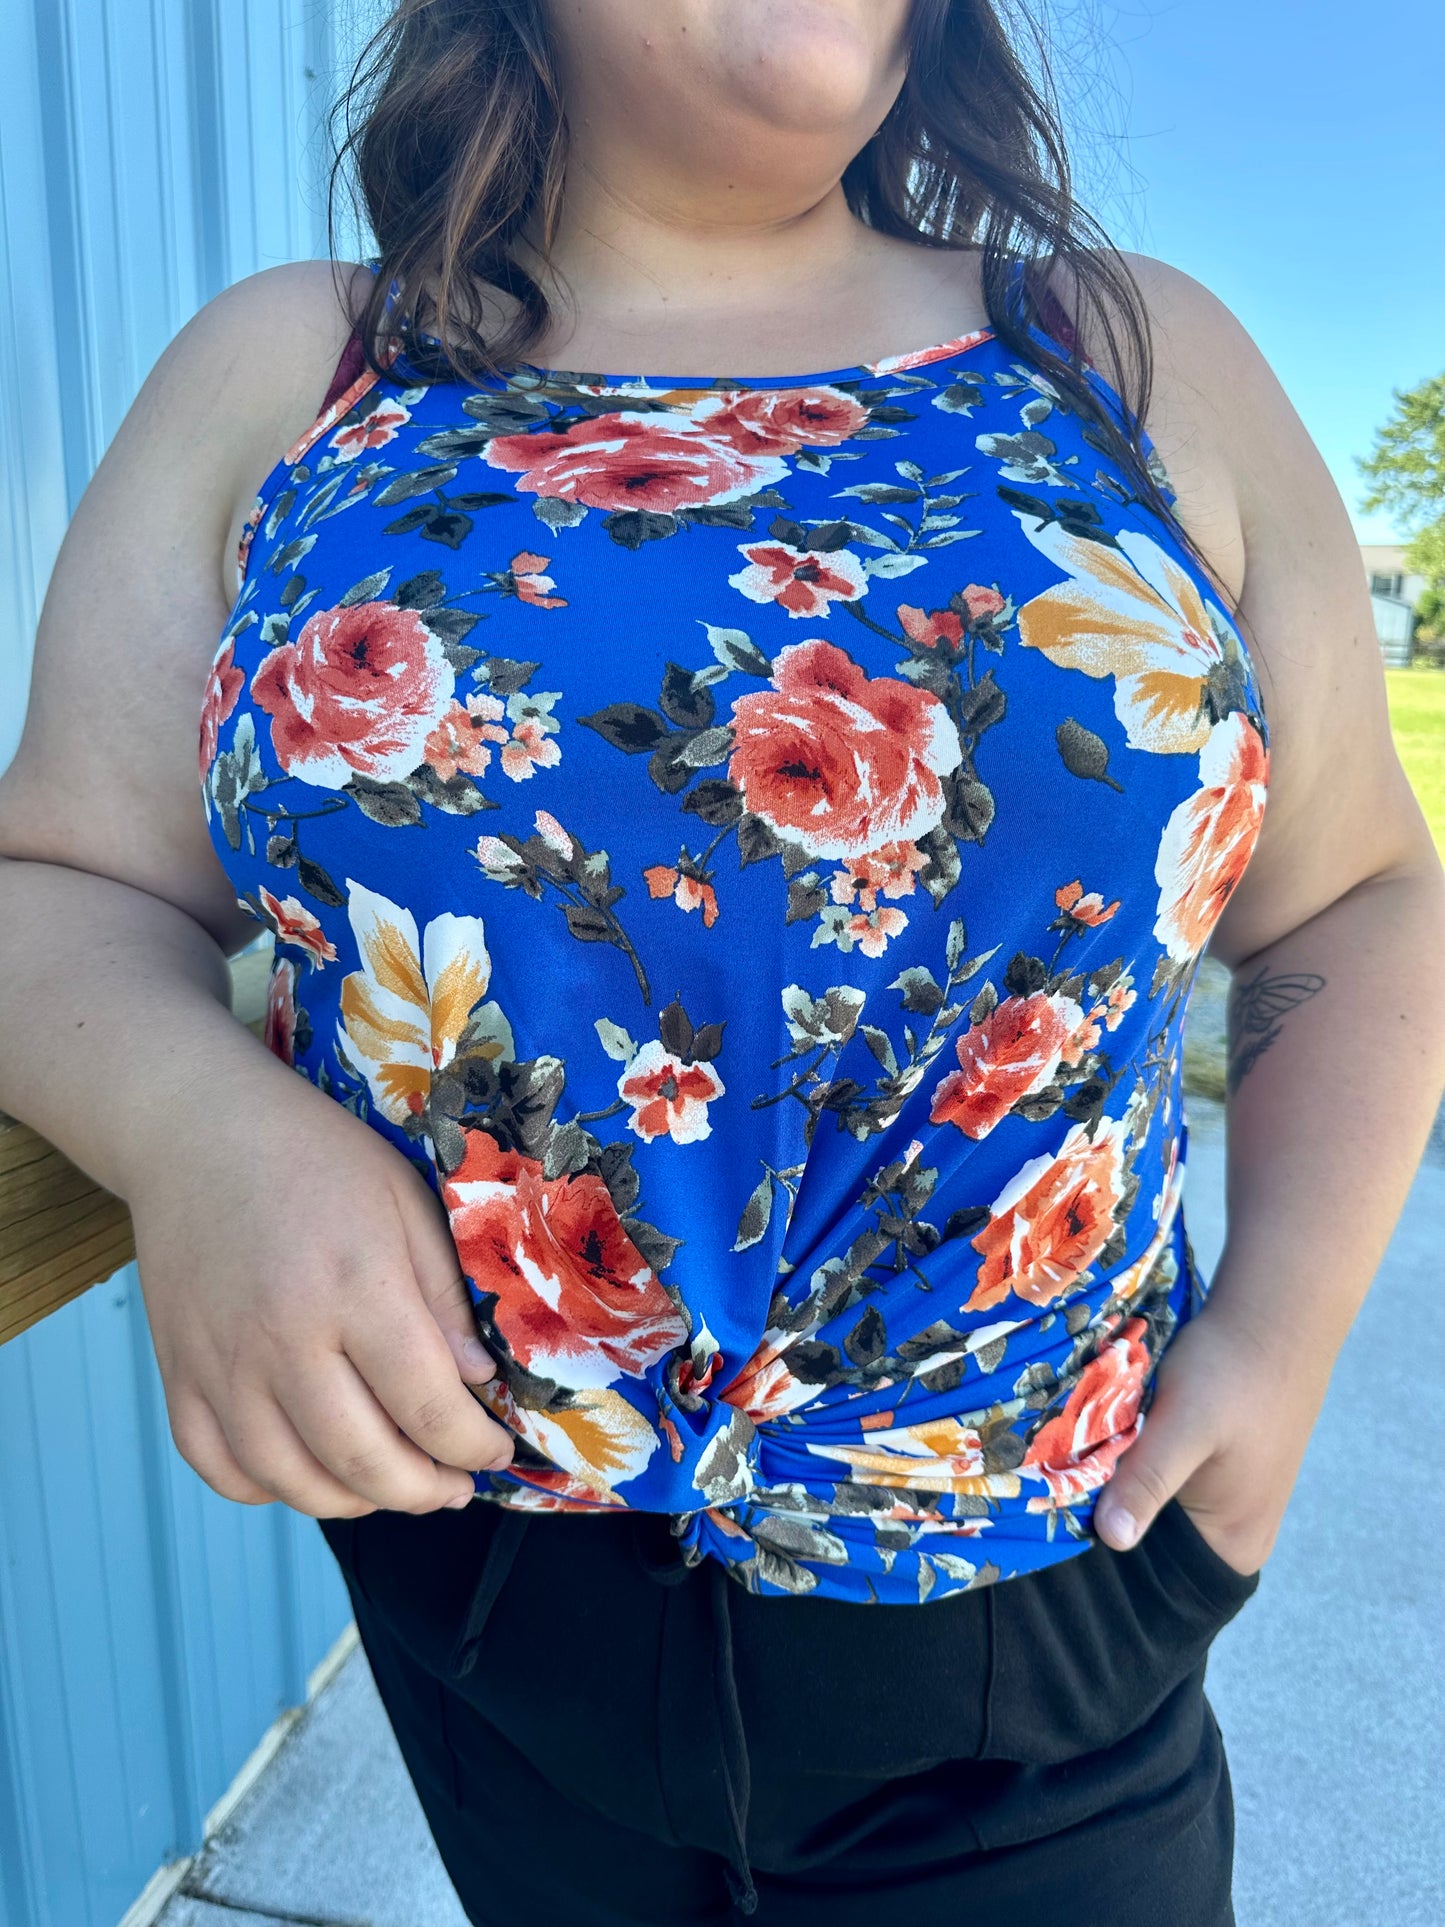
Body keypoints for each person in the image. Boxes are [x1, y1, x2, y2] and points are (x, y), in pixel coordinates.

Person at [1, 2, 1442, 1921]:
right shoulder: (305, 373)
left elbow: (1353, 895)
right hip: (483, 1596)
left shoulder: (1115, 353)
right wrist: (195, 1131)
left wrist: (1275, 1345)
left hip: (1048, 1601)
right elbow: (57, 879)